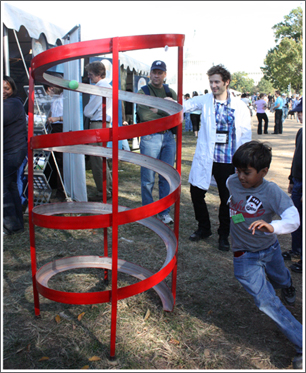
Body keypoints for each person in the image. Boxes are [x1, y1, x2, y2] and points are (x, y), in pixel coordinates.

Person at [227, 140, 302, 370]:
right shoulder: (231, 182)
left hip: (270, 250)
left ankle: (288, 284)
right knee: (267, 301)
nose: (240, 176)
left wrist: (274, 227)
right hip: (243, 256)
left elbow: (294, 219)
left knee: (280, 279)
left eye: (246, 172)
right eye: (238, 170)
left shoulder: (271, 192)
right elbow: (235, 205)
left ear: (264, 171)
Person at [183, 64, 251, 251]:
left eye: (217, 82)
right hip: (207, 157)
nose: (213, 86)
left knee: (226, 199)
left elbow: (245, 134)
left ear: (226, 82)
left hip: (228, 160)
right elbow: (186, 105)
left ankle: (224, 234)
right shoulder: (205, 100)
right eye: (211, 82)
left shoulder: (239, 106)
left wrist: (244, 161)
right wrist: (169, 103)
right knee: (196, 193)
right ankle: (204, 228)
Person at [136, 60, 177, 224]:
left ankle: (164, 211)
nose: (156, 75)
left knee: (166, 176)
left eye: (160, 72)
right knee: (148, 177)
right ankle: (147, 211)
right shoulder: (143, 92)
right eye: (154, 72)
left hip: (168, 137)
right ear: (150, 74)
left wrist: (157, 109)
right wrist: (165, 109)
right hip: (150, 137)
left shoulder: (170, 92)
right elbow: (145, 116)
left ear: (165, 74)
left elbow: (176, 114)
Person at [84, 61, 113, 199]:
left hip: (97, 124)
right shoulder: (108, 86)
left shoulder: (100, 87)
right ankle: (109, 189)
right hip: (104, 124)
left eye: (90, 74)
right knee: (102, 159)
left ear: (97, 74)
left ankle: (103, 192)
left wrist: (86, 110)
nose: (89, 77)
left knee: (97, 160)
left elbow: (88, 111)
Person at [3, 76, 27, 235]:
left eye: (7, 88)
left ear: (12, 90)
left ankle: (10, 225)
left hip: (14, 150)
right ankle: (17, 224)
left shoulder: (14, 103)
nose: (3, 91)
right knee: (10, 187)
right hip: (10, 150)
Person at [282, 98, 303, 274]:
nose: (299, 115)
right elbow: (297, 157)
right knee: (296, 218)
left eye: (302, 112)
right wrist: (291, 179)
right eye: (298, 111)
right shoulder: (301, 132)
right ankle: (297, 249)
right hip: (298, 181)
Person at [45, 83, 66, 201]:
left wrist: (57, 118)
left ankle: (61, 191)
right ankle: (54, 186)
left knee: (61, 160)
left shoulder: (65, 97)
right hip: (53, 128)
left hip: (61, 128)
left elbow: (70, 114)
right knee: (54, 160)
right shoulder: (54, 98)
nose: (49, 89)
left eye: (51, 86)